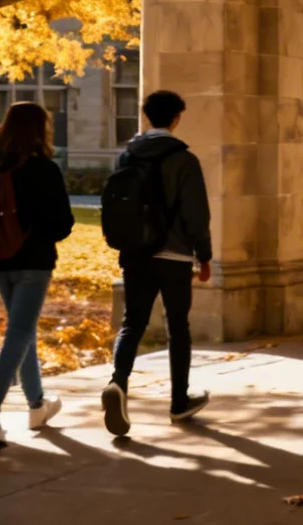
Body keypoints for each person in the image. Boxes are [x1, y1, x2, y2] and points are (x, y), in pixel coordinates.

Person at [103, 90, 213, 437]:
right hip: (175, 255)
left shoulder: (126, 157)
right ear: (176, 118)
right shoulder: (184, 160)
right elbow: (196, 214)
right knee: (177, 326)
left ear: (146, 116)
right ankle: (179, 402)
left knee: (132, 323)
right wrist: (204, 255)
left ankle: (118, 382)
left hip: (135, 253)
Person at [0, 102, 74, 447]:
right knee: (20, 331)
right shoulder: (45, 170)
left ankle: (37, 405)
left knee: (22, 329)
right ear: (41, 130)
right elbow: (62, 224)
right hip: (34, 260)